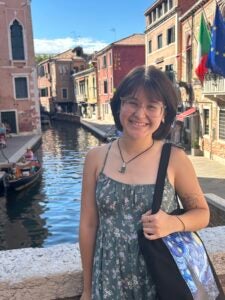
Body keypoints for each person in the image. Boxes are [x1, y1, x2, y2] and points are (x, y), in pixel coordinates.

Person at [79, 65, 210, 300]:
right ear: (119, 105)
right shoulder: (96, 158)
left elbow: (202, 214)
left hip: (158, 278)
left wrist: (172, 223)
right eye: (132, 102)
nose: (140, 114)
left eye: (151, 106)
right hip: (107, 278)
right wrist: (88, 290)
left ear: (164, 114)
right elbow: (88, 225)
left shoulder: (174, 159)